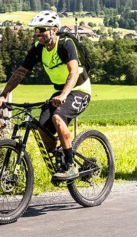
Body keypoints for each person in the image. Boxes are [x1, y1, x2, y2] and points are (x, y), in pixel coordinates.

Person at [0, 10, 91, 179]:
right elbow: (20, 73)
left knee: (58, 118)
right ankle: (61, 154)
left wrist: (63, 95)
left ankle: (71, 166)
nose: (38, 33)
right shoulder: (38, 49)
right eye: (36, 30)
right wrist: (4, 95)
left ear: (54, 30)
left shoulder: (65, 44)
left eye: (42, 29)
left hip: (79, 89)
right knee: (42, 127)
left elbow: (73, 73)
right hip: (60, 92)